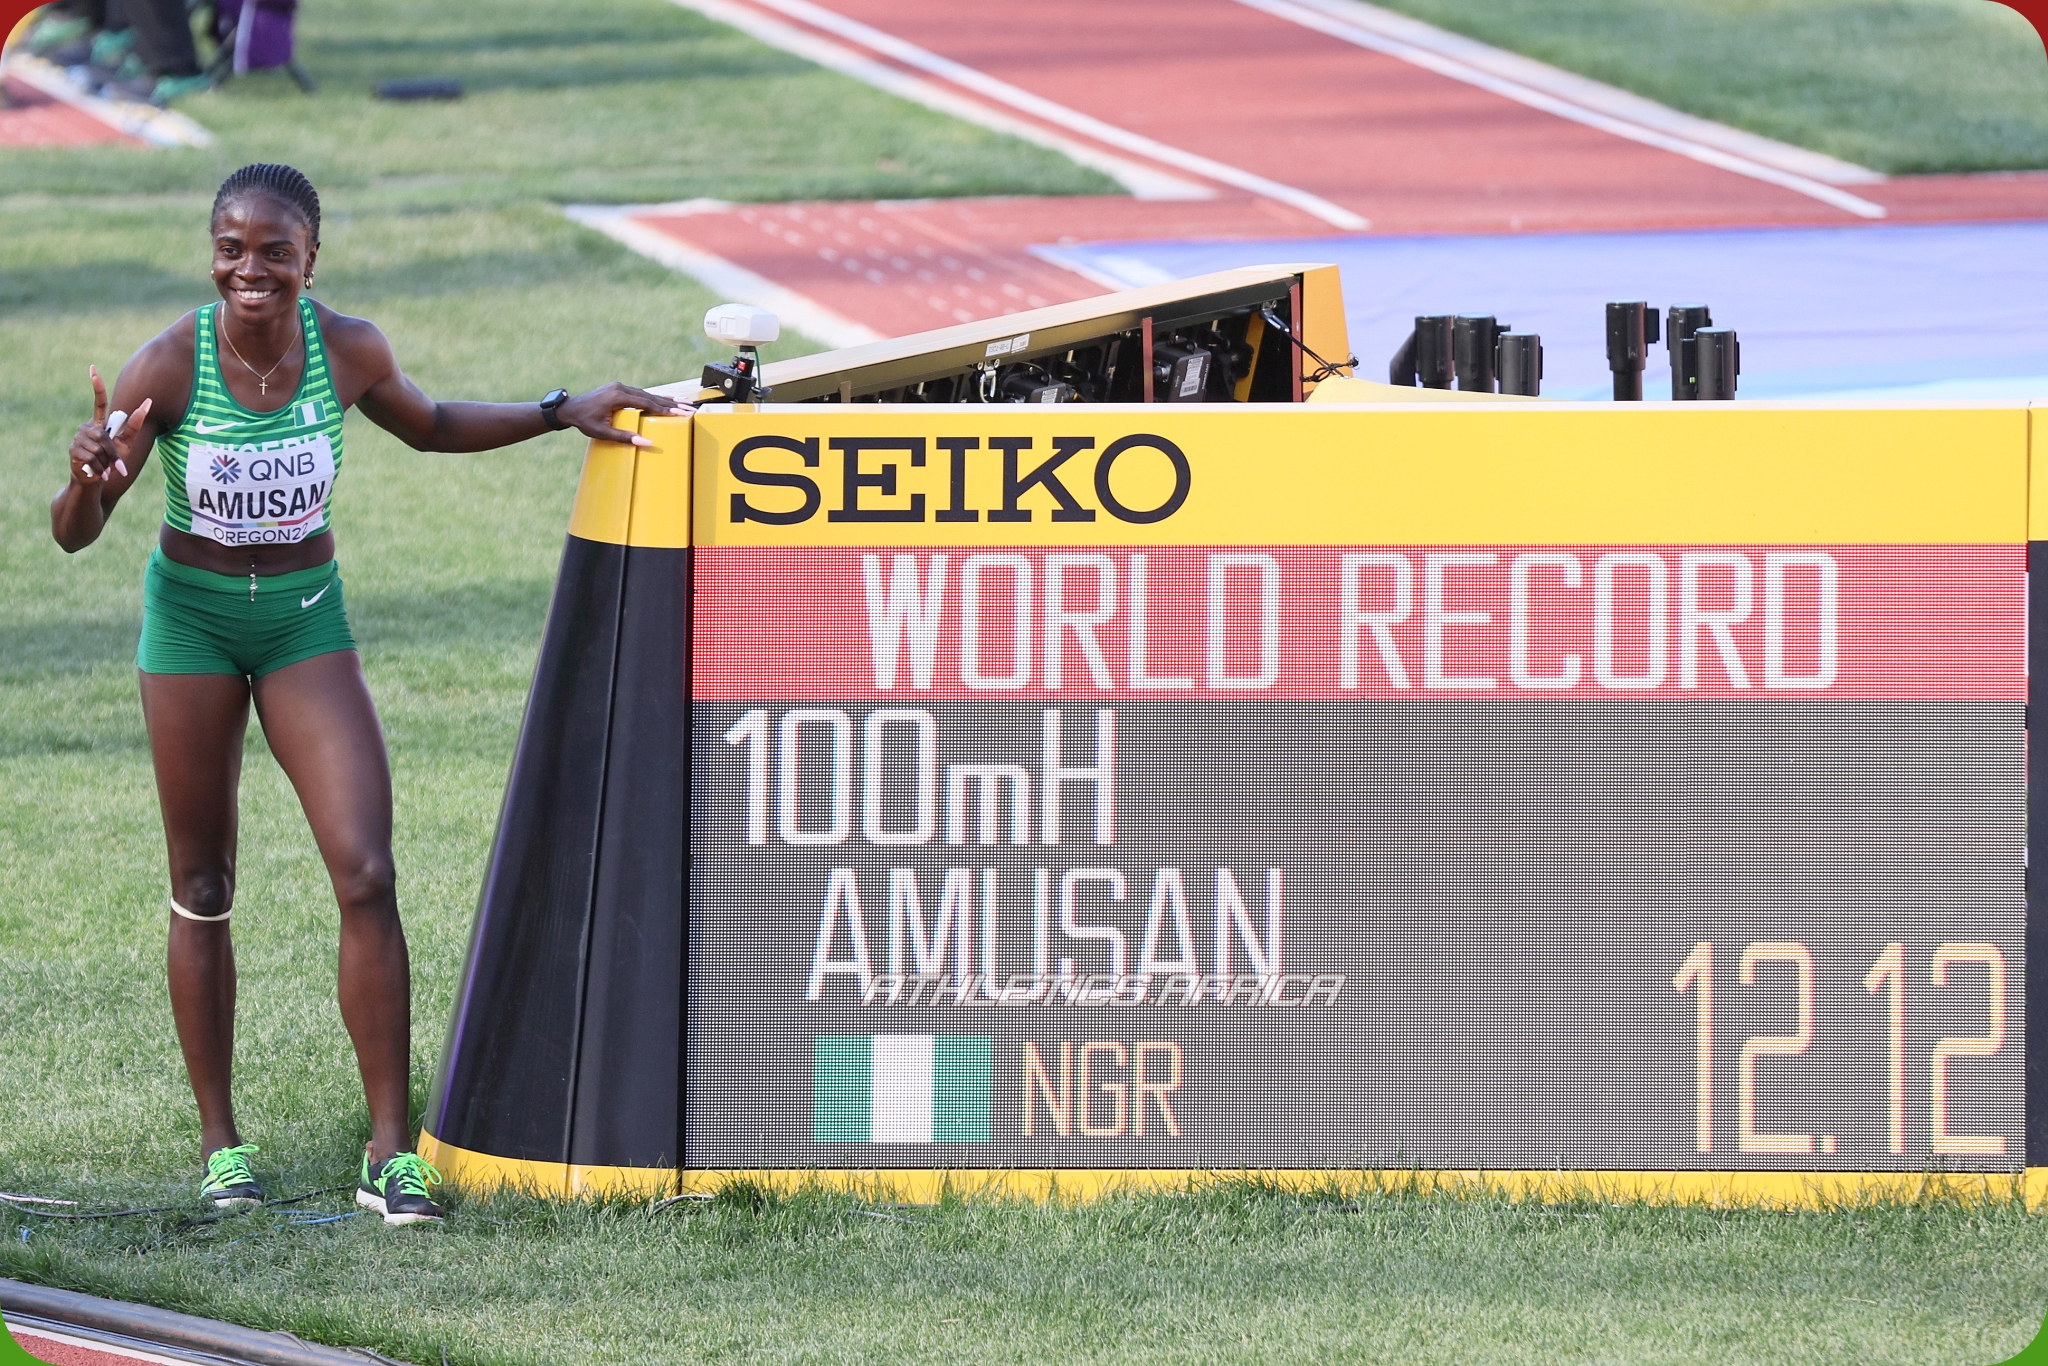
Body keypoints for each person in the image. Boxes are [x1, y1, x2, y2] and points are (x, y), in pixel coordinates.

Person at [51, 162, 691, 1225]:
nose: (247, 269)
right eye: (229, 248)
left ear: (312, 257)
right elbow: (73, 534)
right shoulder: (168, 361)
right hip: (194, 623)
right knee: (203, 881)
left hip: (305, 618)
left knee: (365, 868)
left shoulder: (348, 350)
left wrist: (558, 410)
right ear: (210, 252)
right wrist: (88, 480)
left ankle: (390, 1151)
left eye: (272, 250)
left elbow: (431, 423)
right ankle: (222, 1146)